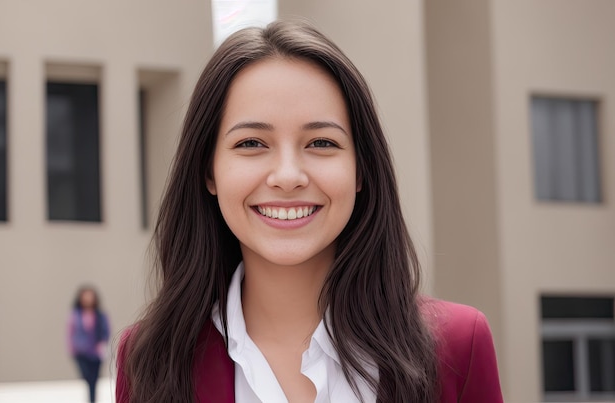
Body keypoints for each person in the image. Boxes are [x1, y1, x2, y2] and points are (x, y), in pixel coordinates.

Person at [116, 19, 503, 403]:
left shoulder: (457, 346)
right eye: (251, 142)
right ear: (209, 170)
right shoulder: (150, 359)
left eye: (321, 142)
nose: (288, 176)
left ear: (361, 170)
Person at [68, 285, 110, 403]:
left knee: (94, 380)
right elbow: (71, 333)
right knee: (87, 377)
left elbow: (106, 331)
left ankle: (92, 400)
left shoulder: (100, 315)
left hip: (96, 353)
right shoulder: (76, 315)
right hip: (81, 352)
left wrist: (103, 345)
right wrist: (73, 349)